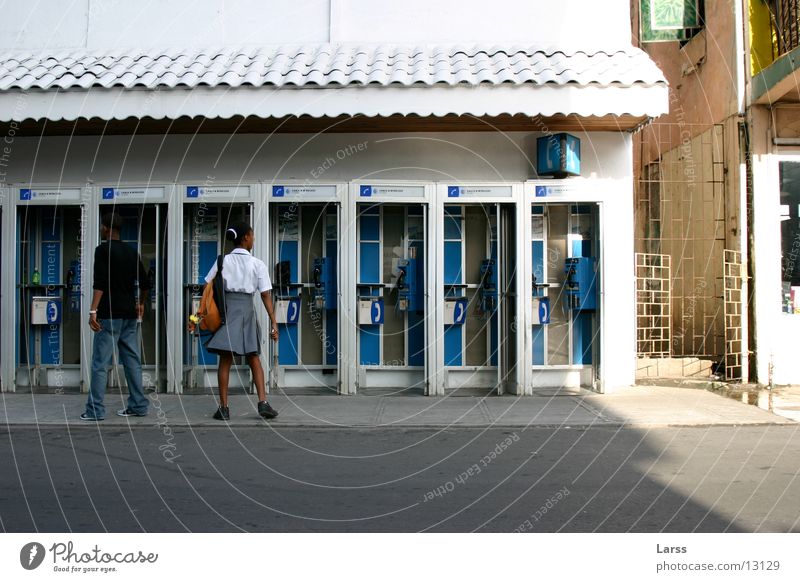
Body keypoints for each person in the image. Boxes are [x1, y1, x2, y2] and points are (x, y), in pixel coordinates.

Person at [204, 221, 279, 420]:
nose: (253, 239)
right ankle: (263, 403)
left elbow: (207, 288)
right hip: (247, 311)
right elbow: (265, 295)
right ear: (246, 237)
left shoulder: (222, 261)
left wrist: (196, 316)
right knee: (253, 357)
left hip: (227, 312)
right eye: (252, 235)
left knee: (225, 359)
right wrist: (273, 321)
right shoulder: (257, 264)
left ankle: (224, 408)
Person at [81, 212, 150, 421]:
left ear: (106, 228)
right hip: (129, 314)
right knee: (131, 360)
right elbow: (146, 283)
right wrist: (141, 303)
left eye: (102, 226)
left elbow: (100, 283)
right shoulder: (131, 252)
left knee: (100, 363)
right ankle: (138, 405)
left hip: (109, 313)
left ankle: (95, 410)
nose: (101, 229)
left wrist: (93, 310)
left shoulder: (102, 251)